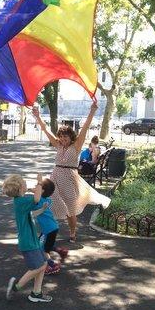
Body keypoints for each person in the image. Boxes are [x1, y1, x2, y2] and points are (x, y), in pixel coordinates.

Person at [33, 103, 111, 243]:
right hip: (55, 178)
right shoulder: (58, 145)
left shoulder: (76, 146)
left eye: (66, 137)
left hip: (69, 179)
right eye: (61, 137)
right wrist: (38, 116)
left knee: (70, 210)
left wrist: (92, 111)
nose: (63, 139)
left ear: (71, 137)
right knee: (48, 204)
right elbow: (45, 130)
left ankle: (73, 232)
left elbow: (85, 127)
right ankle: (46, 231)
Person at [3, 173, 52, 303]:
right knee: (38, 267)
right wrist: (40, 182)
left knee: (44, 263)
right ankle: (17, 286)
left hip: (32, 240)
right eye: (24, 183)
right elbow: (36, 198)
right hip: (28, 242)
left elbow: (32, 214)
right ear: (20, 188)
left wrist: (42, 209)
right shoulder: (21, 201)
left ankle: (36, 293)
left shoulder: (21, 201)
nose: (26, 184)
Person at [32, 178, 68, 275]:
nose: (35, 186)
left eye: (38, 186)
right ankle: (60, 251)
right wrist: (36, 189)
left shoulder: (39, 202)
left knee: (42, 249)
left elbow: (35, 199)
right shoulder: (47, 200)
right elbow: (39, 195)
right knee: (45, 245)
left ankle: (52, 265)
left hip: (48, 230)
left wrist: (32, 191)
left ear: (42, 191)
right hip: (52, 227)